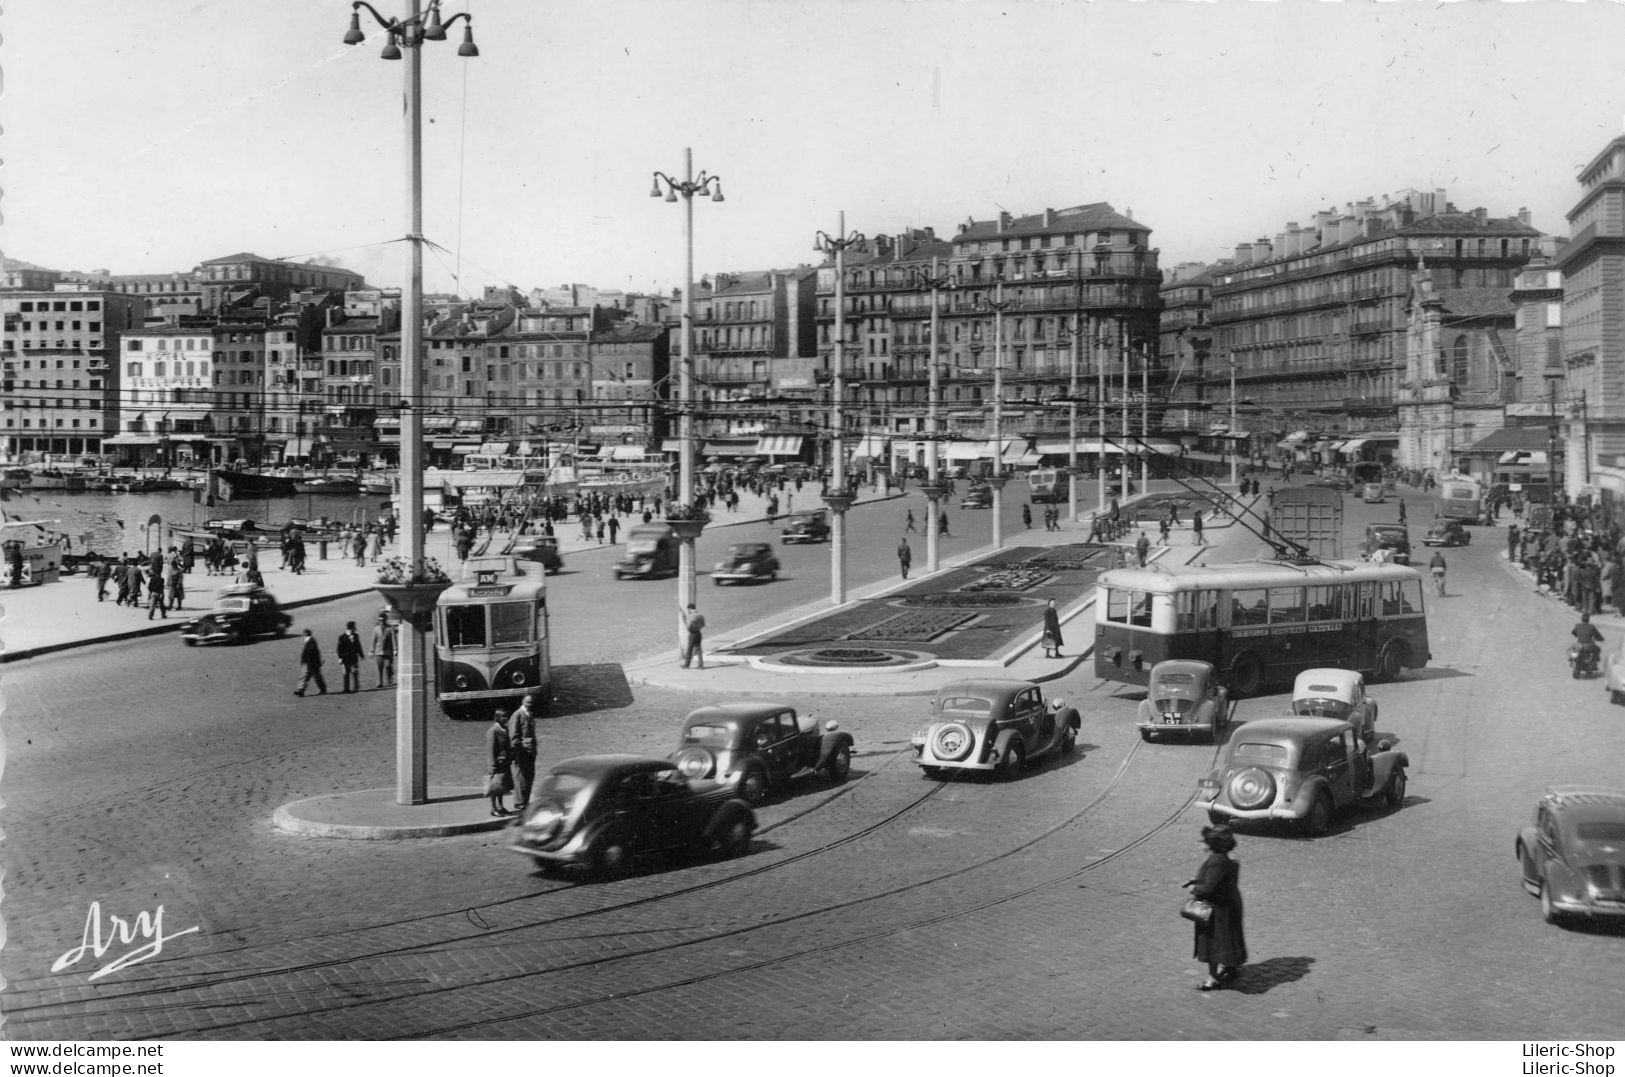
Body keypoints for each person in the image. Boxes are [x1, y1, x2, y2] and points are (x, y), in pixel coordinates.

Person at [1186, 824, 1247, 991]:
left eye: (1203, 841)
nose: (1200, 843)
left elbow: (1208, 888)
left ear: (1211, 844)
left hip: (1216, 909)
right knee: (1228, 939)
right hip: (1228, 904)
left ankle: (1212, 978)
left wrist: (1194, 888)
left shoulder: (1216, 861)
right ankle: (1230, 967)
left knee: (1211, 942)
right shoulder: (1228, 858)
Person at [507, 695, 540, 813]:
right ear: (523, 702)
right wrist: (519, 748)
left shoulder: (530, 715)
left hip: (530, 752)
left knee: (529, 776)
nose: (529, 705)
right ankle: (519, 802)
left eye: (531, 703)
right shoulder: (517, 715)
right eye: (527, 703)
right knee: (519, 777)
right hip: (521, 752)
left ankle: (525, 801)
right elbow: (513, 736)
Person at [486, 709, 513, 817]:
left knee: (501, 786)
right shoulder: (493, 731)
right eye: (503, 716)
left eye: (506, 716)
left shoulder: (505, 729)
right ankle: (493, 808)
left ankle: (501, 806)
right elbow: (490, 749)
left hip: (504, 763)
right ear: (497, 717)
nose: (505, 718)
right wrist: (492, 766)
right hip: (496, 764)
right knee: (494, 787)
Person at [294, 629, 328, 696]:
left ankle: (322, 689)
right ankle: (301, 690)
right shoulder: (310, 640)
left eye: (304, 633)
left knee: (315, 677)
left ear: (306, 633)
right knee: (308, 676)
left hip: (311, 663)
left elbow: (311, 652)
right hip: (309, 662)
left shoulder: (311, 641)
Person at [336, 621, 365, 694]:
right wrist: (340, 658)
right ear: (350, 628)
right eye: (353, 628)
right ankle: (346, 689)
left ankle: (356, 687)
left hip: (353, 658)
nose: (354, 630)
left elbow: (358, 646)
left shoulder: (356, 636)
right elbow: (339, 649)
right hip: (345, 659)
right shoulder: (342, 637)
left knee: (355, 672)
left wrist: (361, 655)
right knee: (345, 674)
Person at [371, 610, 397, 688]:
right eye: (380, 620)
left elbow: (393, 639)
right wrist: (371, 650)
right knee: (379, 667)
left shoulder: (390, 628)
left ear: (385, 620)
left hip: (388, 651)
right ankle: (379, 682)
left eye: (382, 620)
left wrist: (395, 649)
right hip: (378, 651)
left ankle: (389, 680)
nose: (381, 621)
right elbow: (373, 640)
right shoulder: (376, 629)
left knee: (388, 666)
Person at [681, 602, 706, 669]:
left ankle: (686, 665)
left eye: (688, 609)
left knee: (689, 649)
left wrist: (684, 619)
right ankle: (700, 665)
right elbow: (703, 625)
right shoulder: (701, 615)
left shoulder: (690, 616)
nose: (688, 611)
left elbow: (688, 627)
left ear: (689, 608)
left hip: (692, 634)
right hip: (699, 633)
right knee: (699, 650)